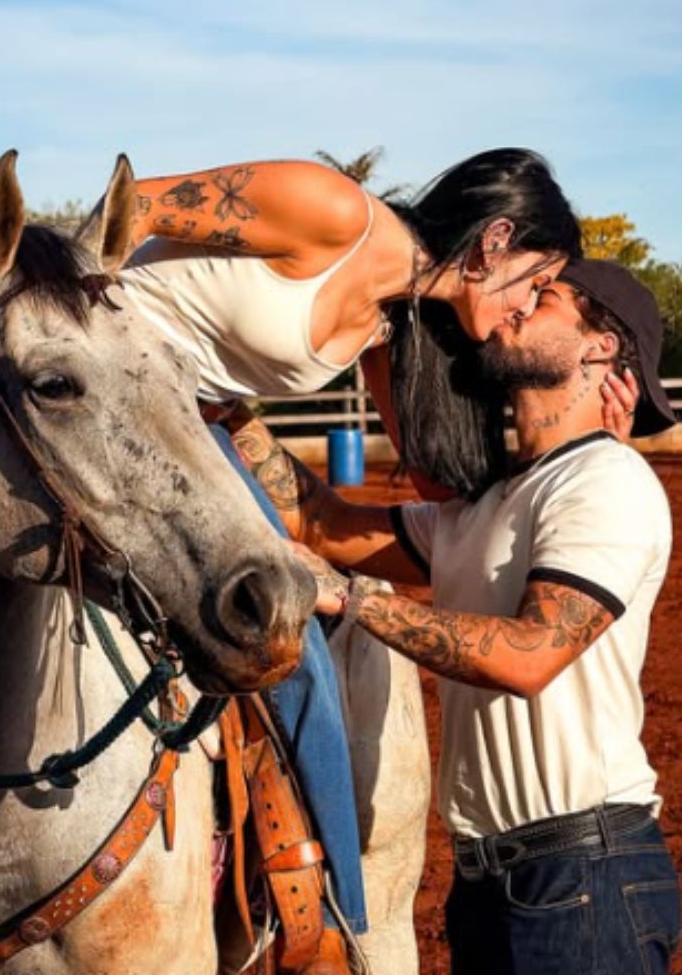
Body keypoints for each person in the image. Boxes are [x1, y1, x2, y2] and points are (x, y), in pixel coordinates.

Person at [113, 151, 631, 972]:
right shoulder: (337, 211)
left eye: (544, 299)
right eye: (535, 282)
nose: (524, 307)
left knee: (297, 658)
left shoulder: (390, 325)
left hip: (192, 441)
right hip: (90, 388)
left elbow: (440, 487)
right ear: (495, 239)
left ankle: (323, 906)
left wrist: (585, 444)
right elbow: (125, 209)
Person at [229, 259, 680, 974]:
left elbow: (530, 654)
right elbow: (318, 521)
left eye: (547, 297)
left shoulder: (606, 480)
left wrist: (354, 600)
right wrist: (225, 411)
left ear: (600, 346)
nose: (516, 306)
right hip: (494, 886)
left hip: (582, 877)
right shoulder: (481, 507)